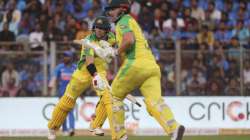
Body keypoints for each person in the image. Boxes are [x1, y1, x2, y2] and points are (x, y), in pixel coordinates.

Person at [91, 0, 185, 139]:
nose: (109, 12)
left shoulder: (123, 21)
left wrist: (115, 52)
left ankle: (120, 136)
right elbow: (125, 40)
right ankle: (174, 128)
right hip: (151, 66)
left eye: (112, 9)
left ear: (122, 9)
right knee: (155, 102)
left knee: (113, 97)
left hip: (135, 64)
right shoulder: (130, 21)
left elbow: (129, 40)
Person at [47, 16, 117, 140]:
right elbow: (89, 63)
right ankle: (52, 128)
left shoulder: (111, 38)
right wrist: (96, 76)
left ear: (107, 30)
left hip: (100, 71)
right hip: (83, 72)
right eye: (97, 28)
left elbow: (117, 47)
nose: (99, 30)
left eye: (102, 28)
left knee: (108, 98)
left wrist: (111, 51)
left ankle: (97, 126)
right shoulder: (88, 41)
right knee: (67, 102)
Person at [48, 51, 76, 136]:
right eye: (63, 56)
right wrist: (50, 86)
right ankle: (65, 130)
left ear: (70, 58)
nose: (64, 58)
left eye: (66, 56)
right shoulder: (60, 67)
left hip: (72, 94)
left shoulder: (75, 67)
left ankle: (71, 129)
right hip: (62, 93)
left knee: (70, 110)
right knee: (63, 111)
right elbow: (54, 77)